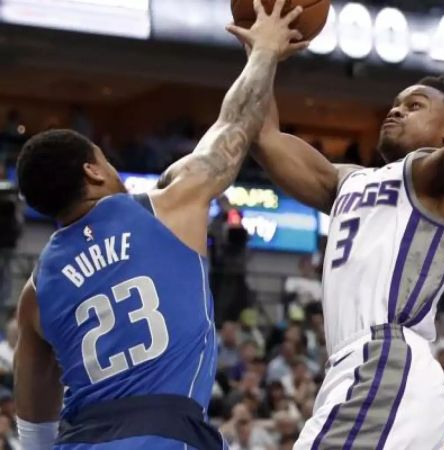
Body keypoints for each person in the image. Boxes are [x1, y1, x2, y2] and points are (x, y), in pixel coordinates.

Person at [11, 2, 307, 448]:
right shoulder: (168, 207)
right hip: (164, 435)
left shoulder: (34, 292)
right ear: (93, 172)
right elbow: (235, 127)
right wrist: (263, 51)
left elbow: (33, 425)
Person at [252, 0, 444, 447]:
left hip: (386, 360)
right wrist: (261, 53)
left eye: (414, 106)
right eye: (395, 105)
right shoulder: (347, 181)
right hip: (358, 371)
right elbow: (263, 136)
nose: (395, 111)